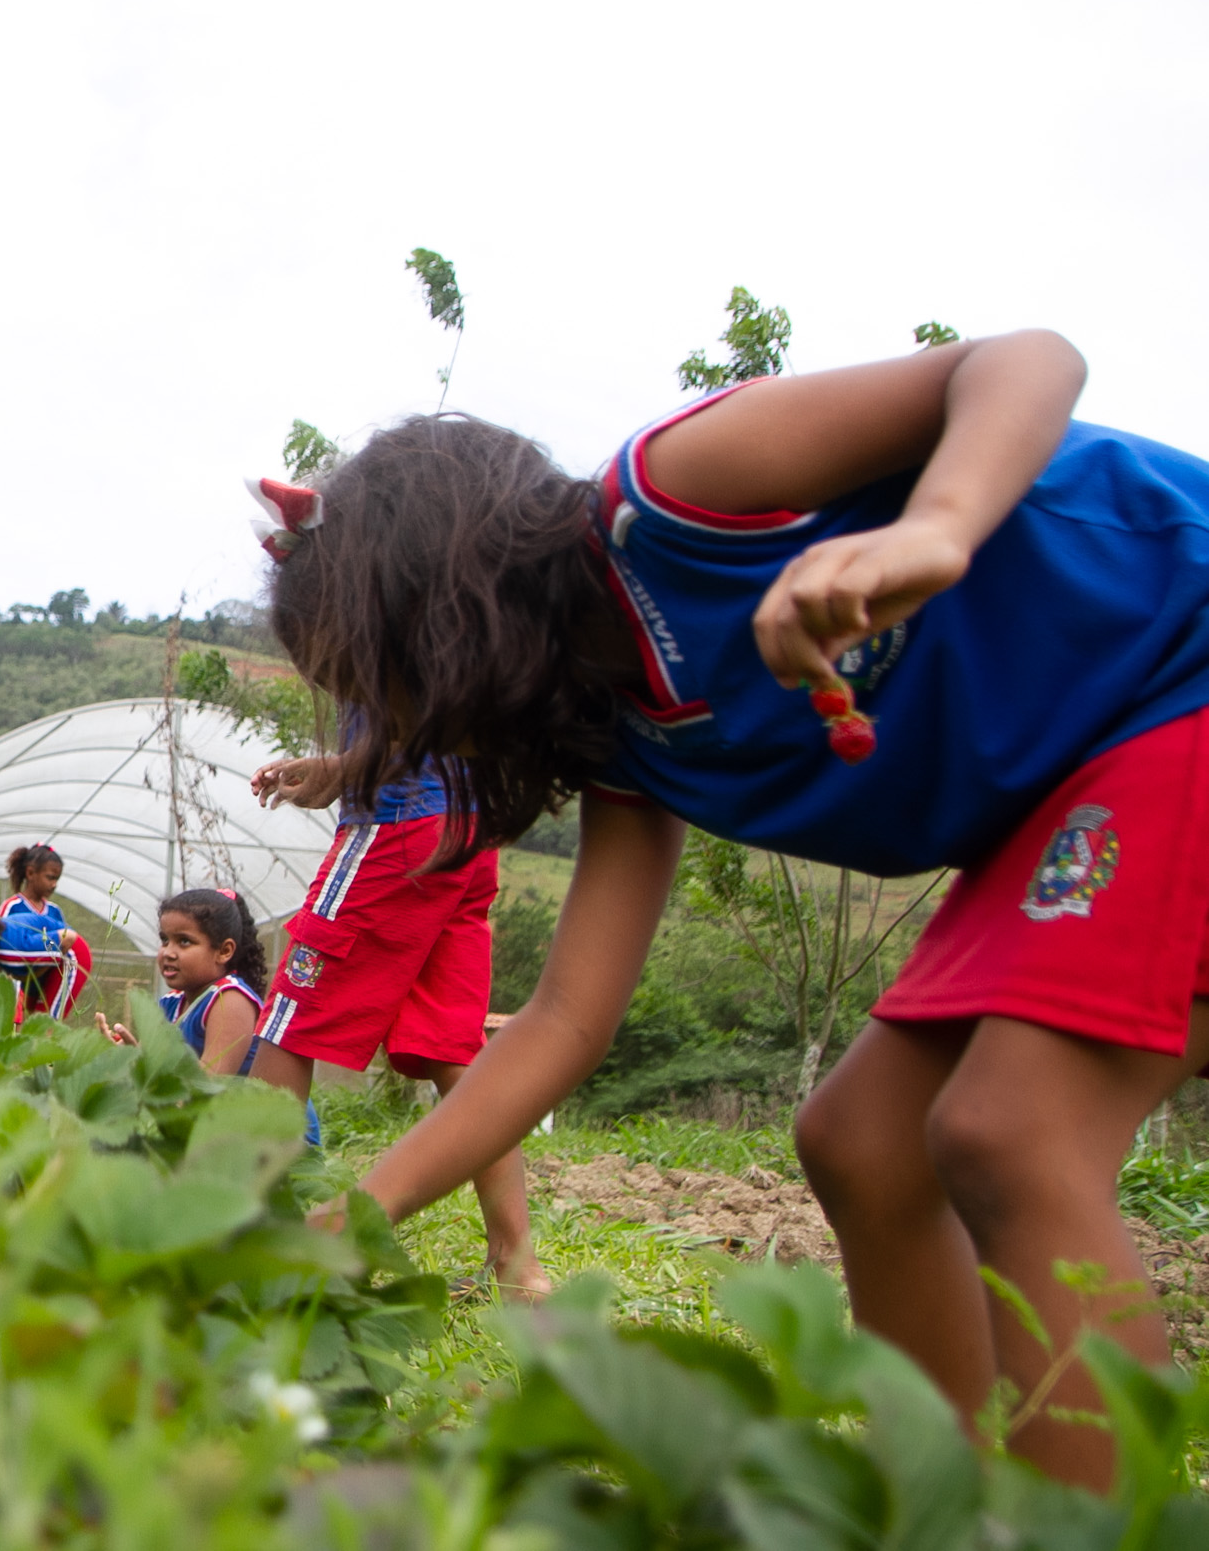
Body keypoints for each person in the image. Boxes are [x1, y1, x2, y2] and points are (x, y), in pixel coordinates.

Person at [261, 330, 1209, 1489]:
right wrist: (364, 1213)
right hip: (1078, 781)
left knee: (1008, 1129)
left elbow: (1025, 361)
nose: (388, 732)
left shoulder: (673, 500)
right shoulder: (617, 732)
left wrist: (934, 526)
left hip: (1181, 661)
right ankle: (950, 1504)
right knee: (862, 1144)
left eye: (377, 684)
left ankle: (1094, 1523)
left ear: (446, 614)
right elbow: (563, 1020)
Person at [246, 748, 545, 1297]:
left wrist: (346, 769)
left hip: (400, 820)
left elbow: (410, 700)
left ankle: (241, 1227)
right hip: (472, 825)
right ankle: (517, 1266)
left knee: (292, 1016)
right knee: (452, 1048)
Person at [98, 888, 319, 1144]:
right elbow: (157, 1080)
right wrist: (128, 1058)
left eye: (184, 941)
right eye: (164, 940)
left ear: (224, 951)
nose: (168, 952)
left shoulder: (230, 1001)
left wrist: (143, 1074)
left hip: (271, 1143)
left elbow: (204, 1090)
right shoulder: (170, 1005)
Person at [0, 842, 87, 1019]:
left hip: (44, 987)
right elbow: (2, 947)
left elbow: (63, 948)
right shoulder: (12, 907)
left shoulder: (54, 912)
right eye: (50, 877)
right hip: (16, 985)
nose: (54, 884)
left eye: (57, 880)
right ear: (30, 873)